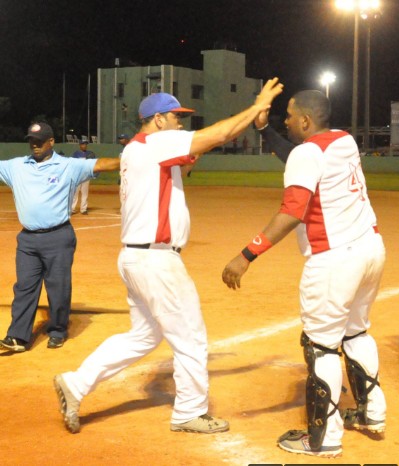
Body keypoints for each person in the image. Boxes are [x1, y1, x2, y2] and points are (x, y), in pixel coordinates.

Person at [52, 80, 283, 435]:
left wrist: (203, 144)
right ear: (157, 119)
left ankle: (76, 383)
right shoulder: (157, 143)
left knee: (143, 336)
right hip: (156, 261)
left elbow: (190, 161)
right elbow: (217, 135)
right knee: (190, 335)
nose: (181, 123)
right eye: (176, 117)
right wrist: (256, 107)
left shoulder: (137, 149)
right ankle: (190, 411)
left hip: (136, 258)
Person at [221, 89, 386, 458]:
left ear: (307, 121)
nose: (286, 120)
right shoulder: (342, 141)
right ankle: (371, 412)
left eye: (291, 116)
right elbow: (301, 158)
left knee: (321, 346)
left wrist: (247, 254)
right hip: (370, 249)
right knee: (356, 331)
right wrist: (265, 132)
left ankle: (323, 438)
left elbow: (294, 210)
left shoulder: (307, 152)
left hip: (334, 259)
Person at [0, 123, 119, 353]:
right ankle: (18, 336)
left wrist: (139, 155)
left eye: (40, 140)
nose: (35, 145)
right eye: (32, 140)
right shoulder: (16, 166)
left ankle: (57, 330)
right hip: (27, 240)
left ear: (51, 141)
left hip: (58, 237)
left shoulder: (68, 166)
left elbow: (104, 164)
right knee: (24, 287)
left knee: (58, 288)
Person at [71, 140, 97, 214]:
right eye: (83, 144)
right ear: (80, 145)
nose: (84, 146)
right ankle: (72, 208)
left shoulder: (90, 153)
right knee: (75, 193)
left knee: (85, 193)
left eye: (85, 144)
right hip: (78, 176)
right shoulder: (76, 154)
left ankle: (83, 209)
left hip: (86, 176)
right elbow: (73, 164)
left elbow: (93, 164)